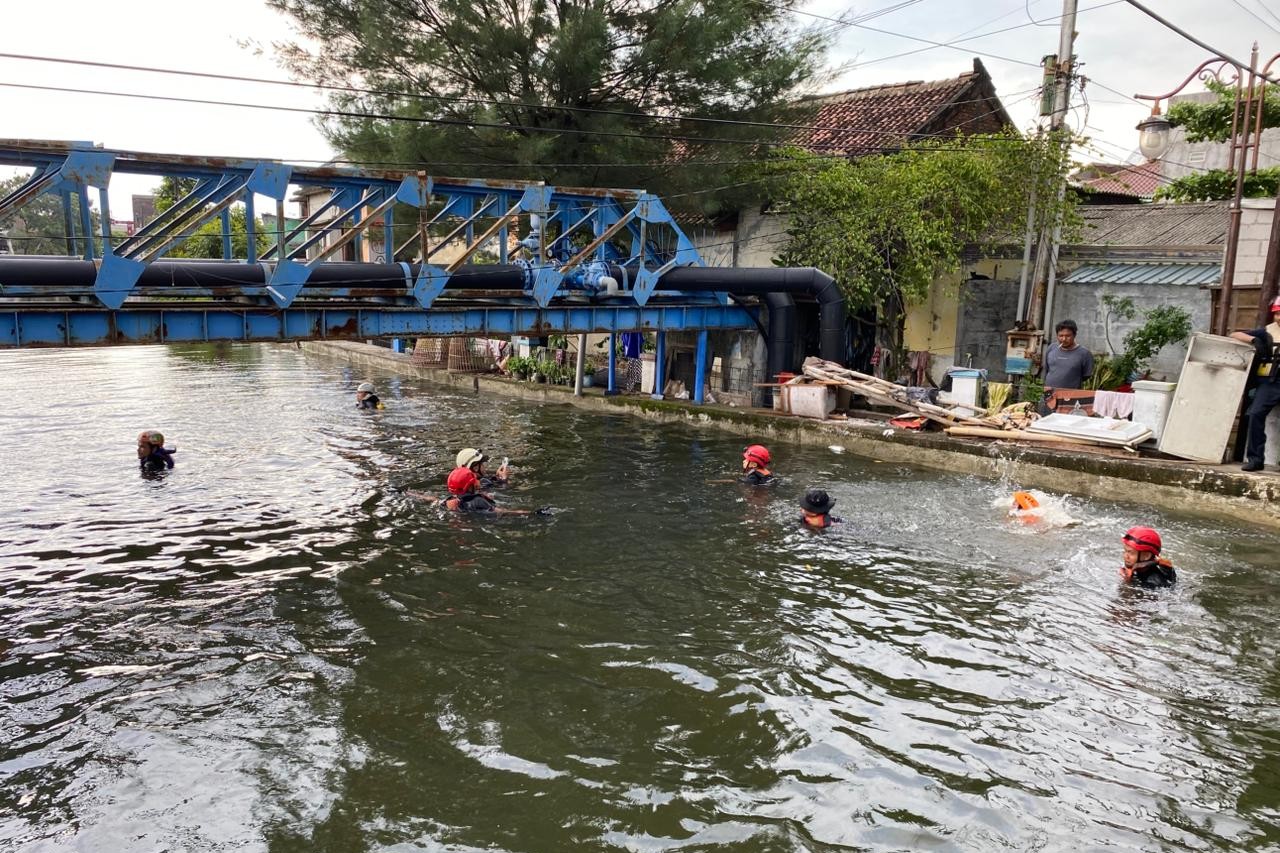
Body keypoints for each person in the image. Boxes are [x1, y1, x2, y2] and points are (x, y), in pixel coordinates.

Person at [1231, 296, 1280, 472]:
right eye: (1277, 314)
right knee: (1255, 414)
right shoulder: (1267, 331)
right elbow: (1234, 334)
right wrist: (1254, 340)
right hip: (1269, 382)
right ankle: (1256, 459)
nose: (1279, 317)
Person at [1043, 319, 1094, 391]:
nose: (1064, 339)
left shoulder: (1084, 354)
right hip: (1049, 394)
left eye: (1068, 336)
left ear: (1074, 335)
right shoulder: (1051, 348)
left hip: (1071, 396)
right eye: (1061, 336)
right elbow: (1047, 369)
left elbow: (1086, 375)